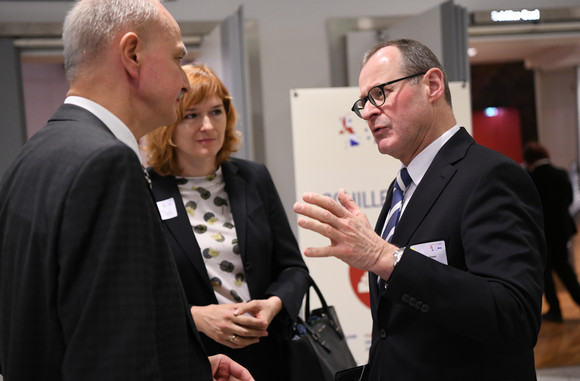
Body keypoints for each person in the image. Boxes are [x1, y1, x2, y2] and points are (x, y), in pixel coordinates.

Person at [0, 1, 253, 380]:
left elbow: (75, 328)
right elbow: (116, 359)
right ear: (132, 54)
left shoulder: (33, 156)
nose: (185, 83)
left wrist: (189, 369)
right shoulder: (108, 164)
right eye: (176, 58)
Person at [293, 39, 546, 380]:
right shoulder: (401, 189)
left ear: (432, 85)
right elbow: (397, 332)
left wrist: (385, 258)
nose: (368, 111)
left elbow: (513, 317)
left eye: (380, 93)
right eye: (364, 101)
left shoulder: (491, 176)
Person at [144, 63, 309, 380]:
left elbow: (293, 268)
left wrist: (273, 305)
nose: (207, 125)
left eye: (216, 112)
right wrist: (193, 317)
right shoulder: (146, 190)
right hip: (198, 362)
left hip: (269, 355)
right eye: (191, 115)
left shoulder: (253, 177)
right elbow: (141, 294)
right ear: (169, 122)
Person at [523, 141, 580, 322]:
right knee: (564, 268)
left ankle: (555, 310)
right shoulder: (561, 173)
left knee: (546, 271)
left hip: (543, 233)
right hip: (562, 230)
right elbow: (570, 199)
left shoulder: (531, 178)